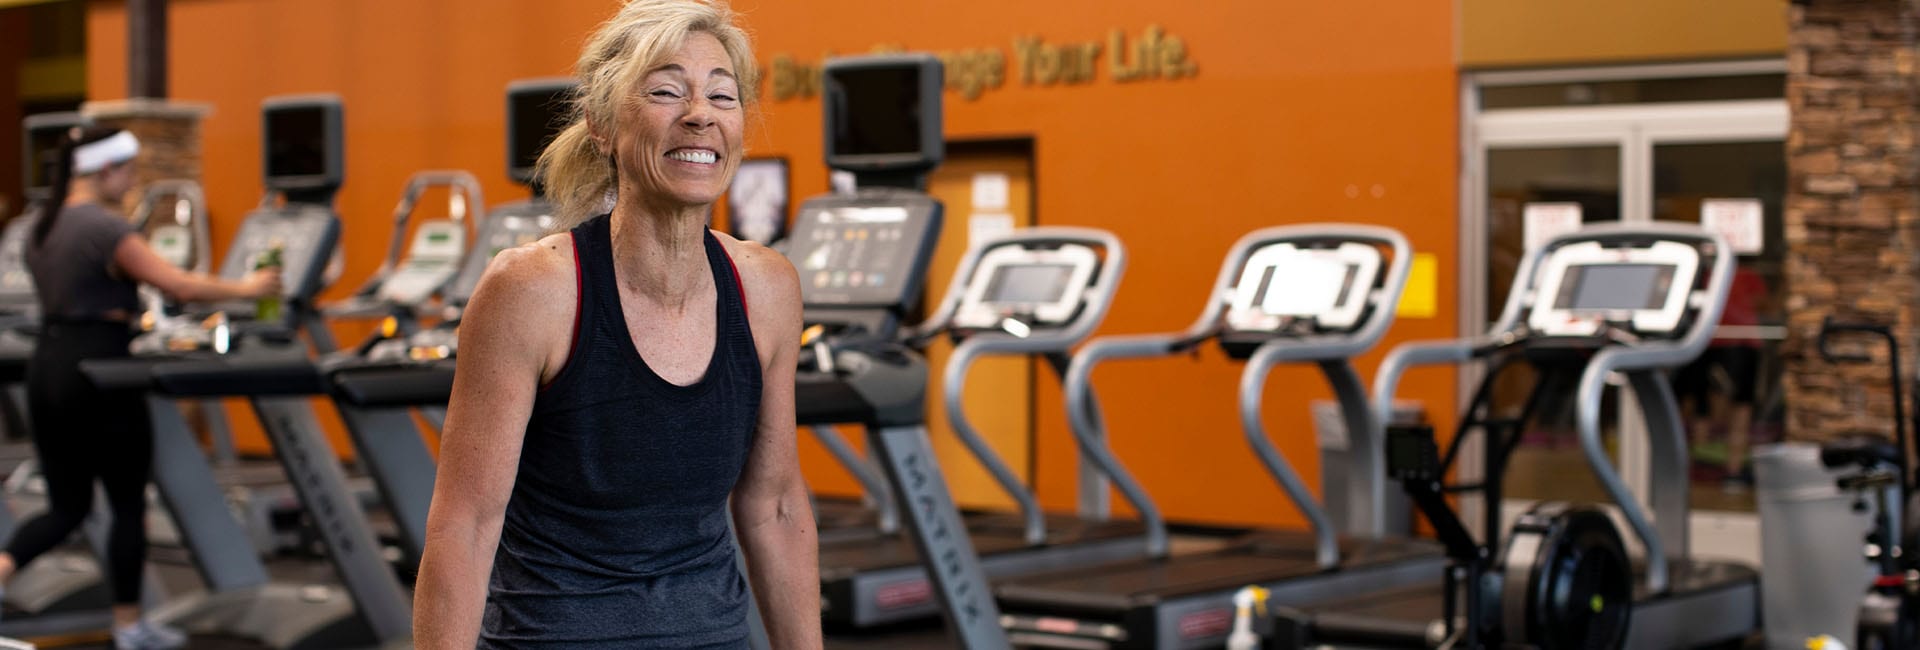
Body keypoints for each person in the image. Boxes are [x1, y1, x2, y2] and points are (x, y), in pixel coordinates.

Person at [412, 0, 819, 647]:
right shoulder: (532, 291)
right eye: (665, 91)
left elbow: (773, 505)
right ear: (602, 126)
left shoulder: (766, 288)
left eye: (723, 94)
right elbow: (465, 523)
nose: (699, 115)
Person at [0, 126, 281, 649]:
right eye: (127, 171)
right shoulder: (104, 228)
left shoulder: (43, 224)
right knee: (126, 502)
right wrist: (250, 288)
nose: (130, 183)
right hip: (103, 369)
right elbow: (178, 285)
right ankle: (130, 626)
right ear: (105, 170)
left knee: (67, 507)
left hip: (50, 362)